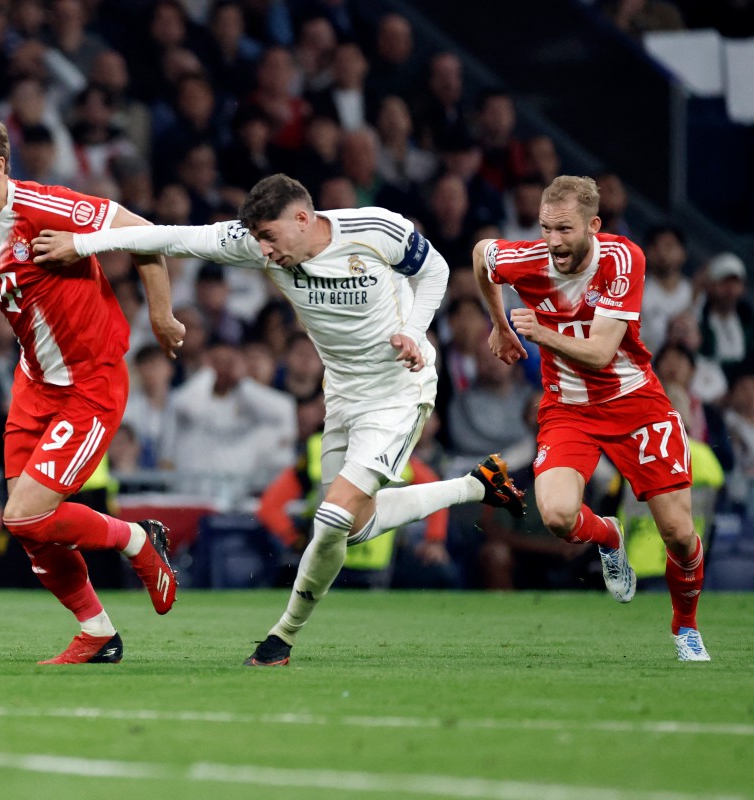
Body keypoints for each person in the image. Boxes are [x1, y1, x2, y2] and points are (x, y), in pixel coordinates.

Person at [34, 173, 526, 666]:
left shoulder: (377, 228)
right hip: (344, 395)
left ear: (302, 218)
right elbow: (169, 235)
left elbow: (435, 269)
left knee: (331, 516)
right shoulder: (254, 245)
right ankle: (477, 485)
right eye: (258, 240)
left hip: (399, 392)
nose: (264, 252)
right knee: (354, 527)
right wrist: (82, 243)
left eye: (270, 237)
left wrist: (415, 332)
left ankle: (281, 638)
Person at [0, 112, 185, 665]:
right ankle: (98, 632)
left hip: (91, 383)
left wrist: (161, 315)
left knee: (22, 515)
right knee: (30, 529)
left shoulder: (49, 206)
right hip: (34, 383)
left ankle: (138, 542)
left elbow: (147, 234)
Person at [471, 175, 709, 661]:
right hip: (569, 409)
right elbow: (481, 255)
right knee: (557, 515)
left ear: (593, 225)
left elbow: (601, 354)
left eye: (564, 229)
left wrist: (538, 332)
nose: (553, 241)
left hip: (636, 404)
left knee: (680, 536)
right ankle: (608, 534)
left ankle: (685, 628)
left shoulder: (624, 259)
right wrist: (499, 324)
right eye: (545, 228)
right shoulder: (530, 259)